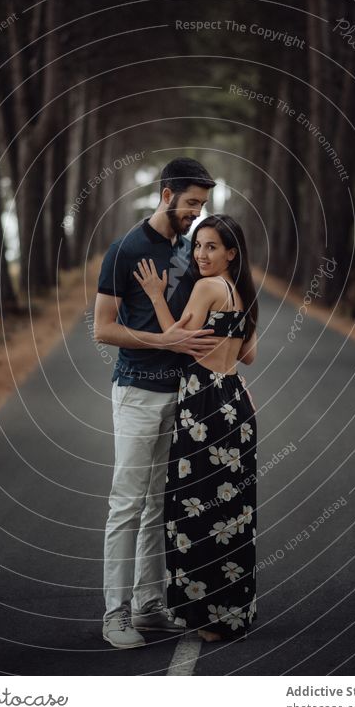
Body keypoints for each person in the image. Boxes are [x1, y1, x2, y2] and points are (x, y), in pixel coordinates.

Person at [94, 158, 217, 649]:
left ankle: (148, 606)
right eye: (191, 204)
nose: (196, 213)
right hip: (137, 391)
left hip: (181, 396)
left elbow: (186, 324)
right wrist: (164, 343)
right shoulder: (125, 249)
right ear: (167, 195)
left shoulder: (187, 249)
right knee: (126, 503)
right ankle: (115, 614)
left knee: (157, 506)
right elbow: (103, 328)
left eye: (202, 206)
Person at [133, 214, 258, 642]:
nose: (202, 255)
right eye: (198, 246)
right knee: (230, 511)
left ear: (230, 253)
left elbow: (173, 336)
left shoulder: (208, 288)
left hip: (203, 406)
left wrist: (154, 294)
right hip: (234, 404)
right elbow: (249, 357)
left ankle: (205, 617)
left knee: (195, 506)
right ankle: (231, 613)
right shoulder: (241, 292)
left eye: (211, 247)